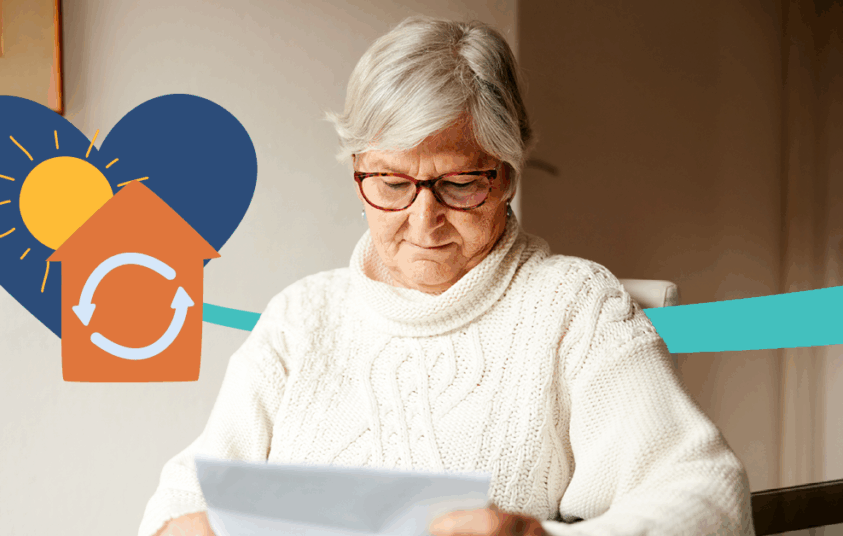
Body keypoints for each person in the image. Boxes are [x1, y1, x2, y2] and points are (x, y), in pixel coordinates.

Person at [139, 16, 756, 536]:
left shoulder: (574, 305)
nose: (424, 221)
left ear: (506, 175)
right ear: (357, 171)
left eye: (459, 183)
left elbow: (709, 496)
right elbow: (182, 497)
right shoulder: (300, 318)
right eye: (391, 183)